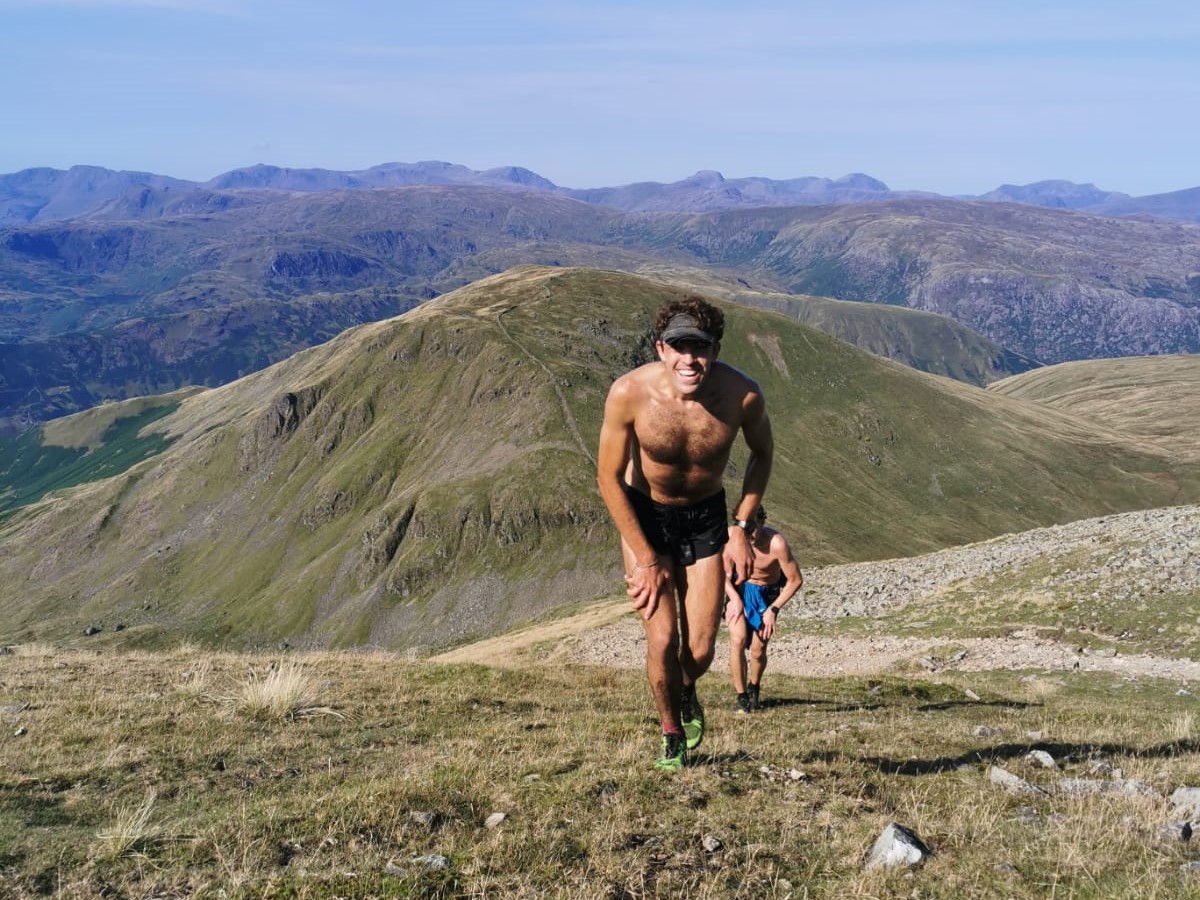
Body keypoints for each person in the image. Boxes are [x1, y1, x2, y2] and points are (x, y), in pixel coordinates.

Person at [597, 295, 773, 772]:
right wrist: (648, 559)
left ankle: (688, 690)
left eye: (700, 347)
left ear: (715, 350)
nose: (689, 359)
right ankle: (671, 732)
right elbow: (608, 479)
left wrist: (742, 524)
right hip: (646, 519)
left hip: (706, 520)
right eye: (679, 347)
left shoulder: (742, 396)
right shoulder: (629, 394)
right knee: (661, 639)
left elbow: (763, 456)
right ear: (661, 349)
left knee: (697, 653)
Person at [723, 505, 804, 713]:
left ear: (762, 522)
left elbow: (795, 580)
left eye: (752, 527)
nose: (748, 534)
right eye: (744, 528)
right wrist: (734, 598)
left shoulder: (776, 544)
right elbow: (722, 574)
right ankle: (741, 698)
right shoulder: (731, 537)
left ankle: (753, 688)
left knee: (758, 651)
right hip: (739, 590)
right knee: (738, 640)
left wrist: (773, 609)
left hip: (767, 595)